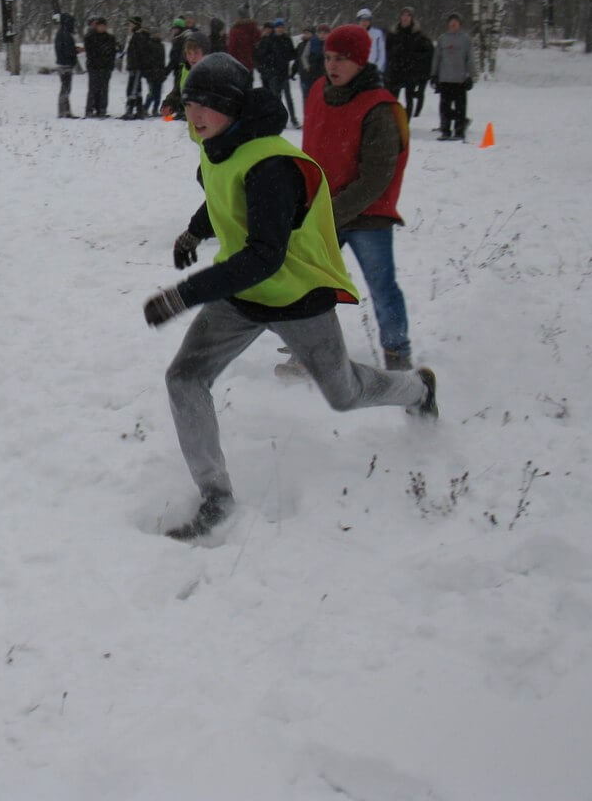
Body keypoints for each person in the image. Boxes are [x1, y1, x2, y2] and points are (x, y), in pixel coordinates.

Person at [144, 52, 437, 540]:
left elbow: (264, 256)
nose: (196, 115)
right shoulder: (216, 142)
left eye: (209, 105)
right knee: (184, 379)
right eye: (192, 102)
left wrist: (184, 295)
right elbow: (221, 194)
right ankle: (215, 497)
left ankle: (418, 389)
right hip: (239, 295)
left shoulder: (273, 165)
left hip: (295, 295)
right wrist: (193, 234)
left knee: (344, 395)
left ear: (236, 107)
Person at [299, 23, 416, 371]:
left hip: (369, 217)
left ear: (362, 61)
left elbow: (376, 178)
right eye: (329, 57)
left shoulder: (381, 108)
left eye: (343, 60)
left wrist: (331, 212)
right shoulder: (319, 91)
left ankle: (397, 354)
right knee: (308, 286)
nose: (332, 66)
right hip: (323, 212)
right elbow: (310, 152)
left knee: (381, 287)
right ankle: (307, 350)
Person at [430, 13, 475, 140]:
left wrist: (471, 76)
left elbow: (470, 59)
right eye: (451, 22)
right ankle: (445, 131)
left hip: (460, 80)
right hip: (445, 79)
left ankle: (459, 131)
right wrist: (434, 75)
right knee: (444, 108)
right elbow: (437, 58)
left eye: (455, 21)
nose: (453, 24)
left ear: (459, 24)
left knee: (460, 107)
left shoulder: (465, 39)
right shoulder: (442, 39)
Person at [385, 8, 435, 119]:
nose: (405, 17)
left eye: (408, 15)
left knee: (409, 98)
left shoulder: (418, 35)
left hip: (410, 72)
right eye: (403, 15)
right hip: (395, 71)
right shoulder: (393, 34)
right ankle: (392, 120)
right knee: (392, 99)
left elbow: (428, 53)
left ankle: (406, 123)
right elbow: (387, 52)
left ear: (411, 18)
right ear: (400, 17)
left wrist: (418, 64)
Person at [256, 17, 298, 128]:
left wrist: (289, 55)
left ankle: (293, 119)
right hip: (274, 74)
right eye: (278, 27)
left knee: (289, 98)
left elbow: (292, 54)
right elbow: (263, 56)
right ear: (275, 28)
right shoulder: (270, 39)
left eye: (281, 27)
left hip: (284, 73)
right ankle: (278, 121)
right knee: (276, 99)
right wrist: (271, 62)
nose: (280, 29)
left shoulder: (287, 39)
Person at [83, 17, 117, 119]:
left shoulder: (110, 38)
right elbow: (91, 52)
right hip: (94, 67)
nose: (102, 28)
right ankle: (89, 110)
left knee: (104, 89)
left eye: (104, 26)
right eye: (100, 26)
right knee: (93, 89)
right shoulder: (90, 37)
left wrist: (109, 64)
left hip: (106, 68)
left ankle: (102, 109)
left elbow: (112, 53)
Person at [120, 15, 151, 119]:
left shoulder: (139, 36)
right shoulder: (135, 36)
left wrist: (138, 65)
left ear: (136, 25)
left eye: (131, 24)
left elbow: (140, 53)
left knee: (132, 89)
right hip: (134, 66)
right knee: (137, 89)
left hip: (136, 67)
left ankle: (130, 110)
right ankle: (139, 110)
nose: (129, 26)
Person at [53, 12, 82, 118]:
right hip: (65, 64)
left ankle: (65, 111)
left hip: (63, 63)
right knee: (66, 88)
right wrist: (76, 50)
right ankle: (64, 112)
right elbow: (68, 50)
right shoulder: (65, 34)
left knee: (65, 88)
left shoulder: (61, 33)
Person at [142, 27, 168, 117]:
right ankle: (145, 108)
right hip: (151, 73)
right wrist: (147, 71)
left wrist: (163, 72)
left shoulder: (162, 46)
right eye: (155, 33)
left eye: (158, 33)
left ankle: (155, 109)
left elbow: (163, 60)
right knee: (151, 93)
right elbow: (146, 60)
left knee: (158, 94)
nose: (157, 35)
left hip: (159, 73)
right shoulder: (148, 45)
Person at [225, 6, 260, 73]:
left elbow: (232, 48)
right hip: (250, 64)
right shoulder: (254, 29)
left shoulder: (235, 30)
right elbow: (258, 44)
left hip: (238, 64)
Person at [356, 7, 386, 79]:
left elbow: (382, 53)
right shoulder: (354, 34)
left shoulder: (377, 34)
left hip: (373, 71)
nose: (364, 22)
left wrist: (377, 69)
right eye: (362, 20)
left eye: (367, 20)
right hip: (357, 71)